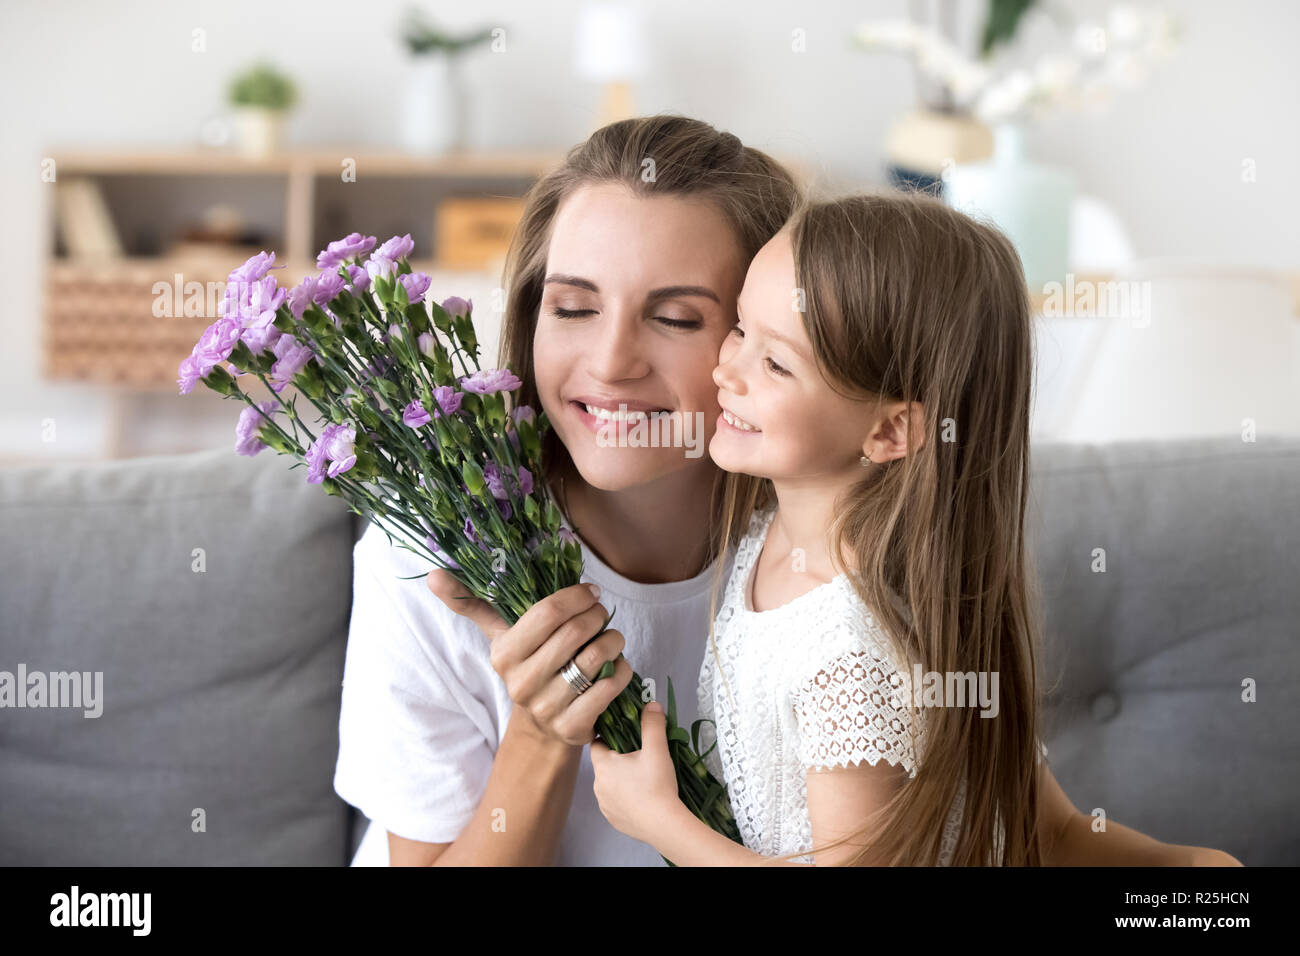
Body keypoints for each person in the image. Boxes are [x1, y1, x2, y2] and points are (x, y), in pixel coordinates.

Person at [333, 115, 1239, 866]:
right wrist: (542, 729)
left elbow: (1012, 812)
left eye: (681, 317)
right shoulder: (435, 558)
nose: (610, 364)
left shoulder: (830, 540)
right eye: (573, 307)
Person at [587, 192, 1240, 866]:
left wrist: (660, 822)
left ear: (890, 429)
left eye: (776, 364)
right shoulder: (775, 537)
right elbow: (1052, 829)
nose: (727, 370)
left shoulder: (849, 653)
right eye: (741, 328)